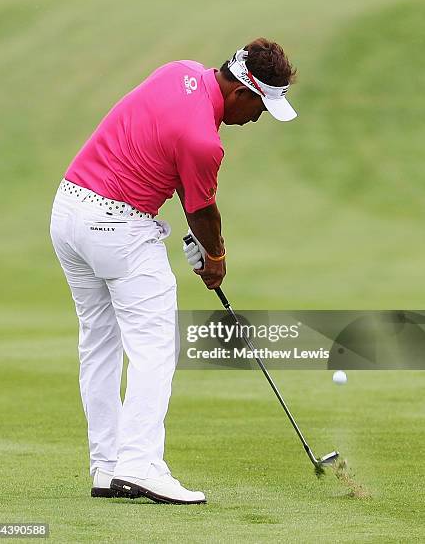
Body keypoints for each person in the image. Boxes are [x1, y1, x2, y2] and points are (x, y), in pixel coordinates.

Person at [49, 37, 297, 505]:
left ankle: (107, 465)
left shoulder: (176, 70)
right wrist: (216, 260)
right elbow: (202, 210)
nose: (258, 118)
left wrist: (205, 246)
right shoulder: (206, 142)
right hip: (117, 226)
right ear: (243, 92)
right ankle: (139, 464)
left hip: (67, 211)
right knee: (155, 345)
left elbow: (182, 184)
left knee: (99, 343)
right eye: (261, 107)